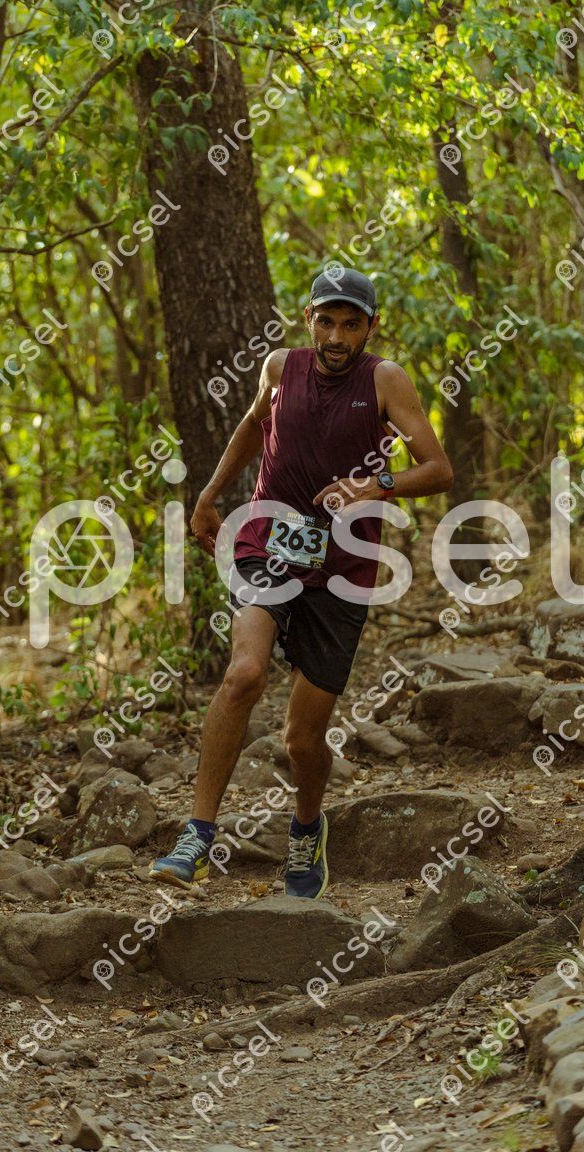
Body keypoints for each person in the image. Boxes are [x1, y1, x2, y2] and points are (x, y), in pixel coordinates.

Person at [150, 268, 453, 898]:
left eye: (350, 324)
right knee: (244, 674)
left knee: (302, 738)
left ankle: (307, 827)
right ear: (308, 318)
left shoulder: (385, 380)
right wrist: (208, 494)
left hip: (343, 569)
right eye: (326, 321)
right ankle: (196, 836)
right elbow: (253, 425)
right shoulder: (279, 368)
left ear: (371, 327)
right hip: (267, 542)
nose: (336, 336)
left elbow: (438, 468)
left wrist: (374, 485)